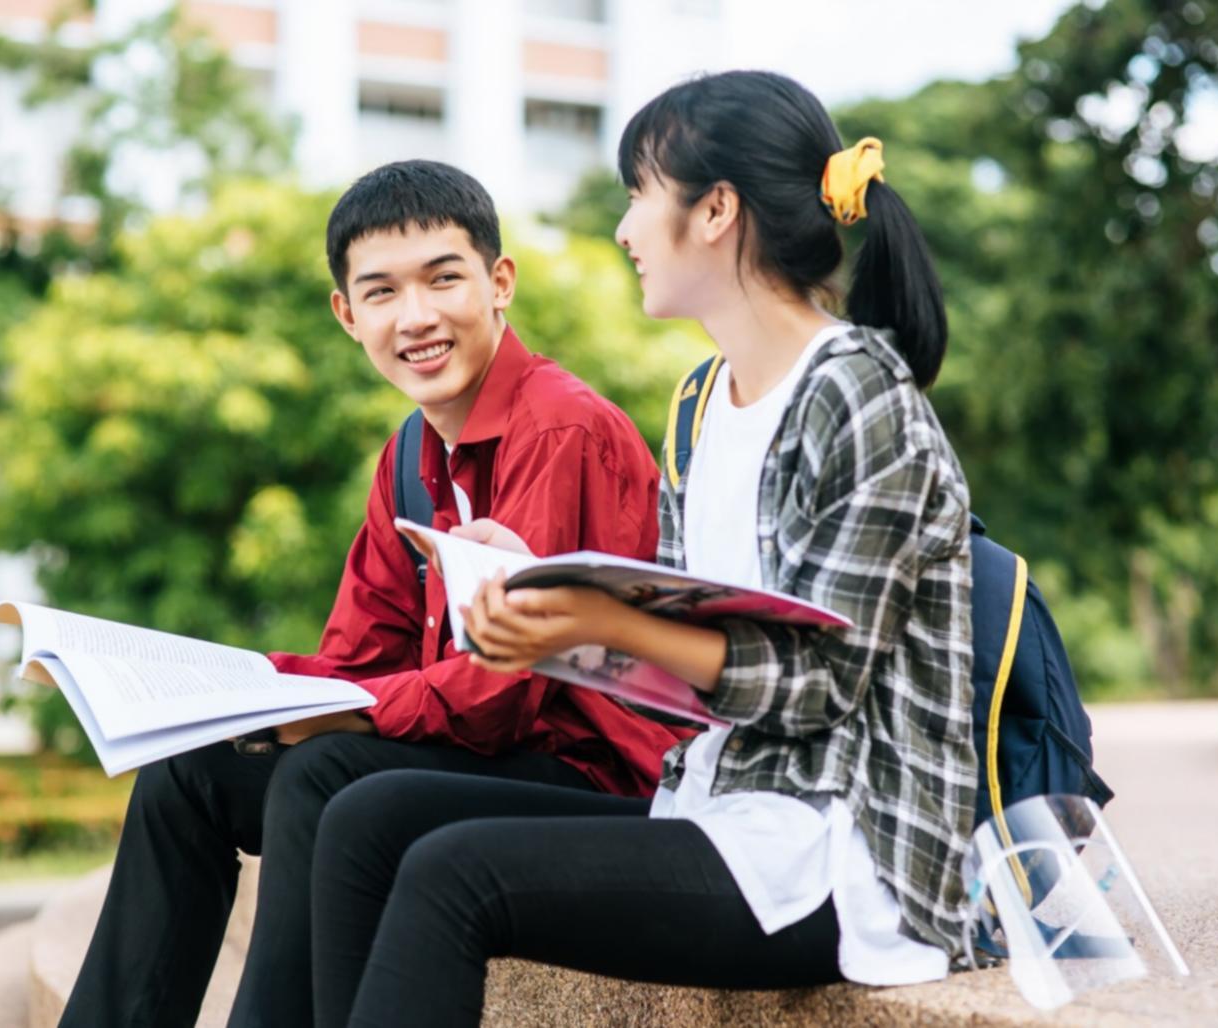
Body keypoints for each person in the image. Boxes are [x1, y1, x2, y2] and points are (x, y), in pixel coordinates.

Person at [306, 71, 978, 1027]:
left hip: (844, 849)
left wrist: (604, 619)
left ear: (715, 211)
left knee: (454, 874)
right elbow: (679, 641)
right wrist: (529, 585)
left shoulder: (857, 395)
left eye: (638, 196)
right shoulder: (705, 402)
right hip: (722, 804)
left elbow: (816, 687)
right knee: (368, 820)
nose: (623, 230)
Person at [59, 160, 691, 1028]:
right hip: (485, 755)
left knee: (323, 770)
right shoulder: (407, 459)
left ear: (499, 283)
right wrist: (214, 692)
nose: (418, 317)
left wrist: (330, 713)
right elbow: (357, 659)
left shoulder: (562, 428)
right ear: (346, 315)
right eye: (382, 292)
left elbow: (504, 698)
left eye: (444, 279)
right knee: (189, 772)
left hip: (597, 777)